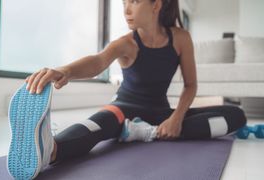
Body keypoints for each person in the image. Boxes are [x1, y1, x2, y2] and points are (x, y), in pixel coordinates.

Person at [14, 0, 247, 178]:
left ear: (156, 4)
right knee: (97, 126)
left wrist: (176, 118)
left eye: (134, 1)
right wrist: (64, 71)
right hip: (122, 110)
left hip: (160, 113)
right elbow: (98, 62)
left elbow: (191, 85)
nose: (126, 9)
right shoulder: (126, 43)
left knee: (236, 115)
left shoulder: (181, 39)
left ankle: (146, 132)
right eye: (124, 2)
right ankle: (50, 149)